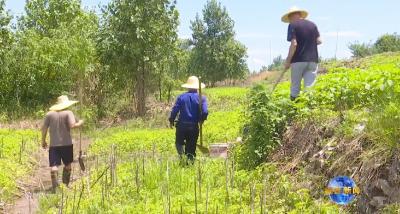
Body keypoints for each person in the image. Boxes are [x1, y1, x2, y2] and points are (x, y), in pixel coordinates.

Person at [42, 95, 84, 191]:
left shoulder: (49, 114)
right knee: (68, 165)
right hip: (66, 144)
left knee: (54, 166)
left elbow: (44, 128)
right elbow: (72, 125)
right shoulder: (68, 113)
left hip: (54, 145)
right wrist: (80, 123)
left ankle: (55, 187)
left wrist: (43, 140)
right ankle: (65, 186)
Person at [282, 6, 322, 101]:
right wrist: (308, 41)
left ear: (291, 17)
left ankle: (294, 111)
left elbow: (294, 44)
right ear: (300, 15)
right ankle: (308, 111)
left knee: (295, 87)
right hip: (313, 60)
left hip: (298, 60)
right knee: (309, 87)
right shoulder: (313, 25)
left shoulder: (293, 25)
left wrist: (288, 60)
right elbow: (319, 41)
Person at [169, 76, 208, 162]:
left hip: (181, 126)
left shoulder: (181, 97)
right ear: (197, 87)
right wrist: (201, 119)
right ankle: (189, 163)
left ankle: (182, 158)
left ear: (188, 86)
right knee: (191, 147)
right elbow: (205, 112)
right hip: (194, 127)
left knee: (179, 143)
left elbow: (175, 110)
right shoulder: (202, 98)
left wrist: (171, 120)